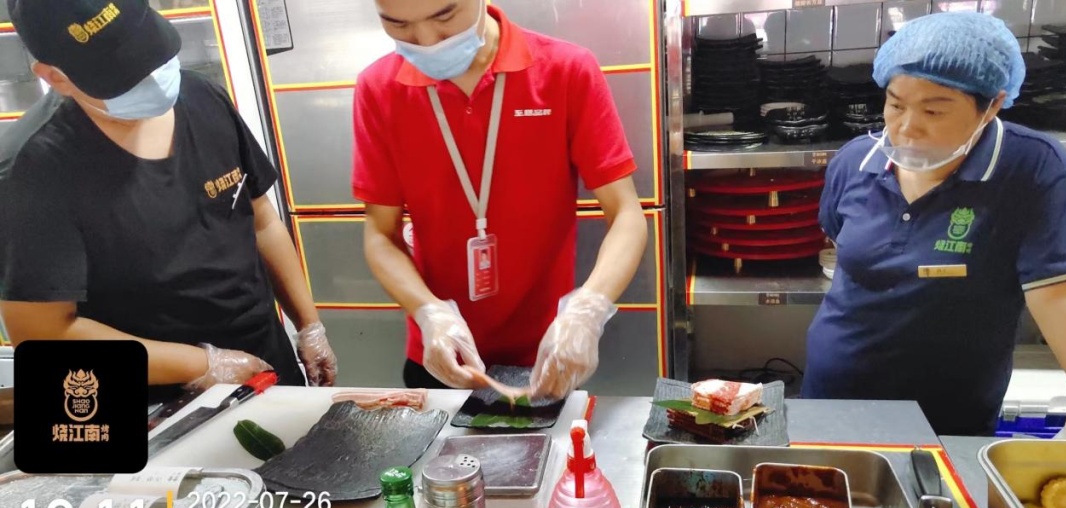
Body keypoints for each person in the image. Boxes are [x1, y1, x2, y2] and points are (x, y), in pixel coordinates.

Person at [0, 0, 339, 402]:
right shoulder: (32, 168)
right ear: (56, 77)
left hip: (266, 360)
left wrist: (309, 325)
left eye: (153, 55)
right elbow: (44, 333)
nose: (152, 79)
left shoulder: (202, 96)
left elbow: (261, 220)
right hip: (154, 397)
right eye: (122, 75)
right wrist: (202, 365)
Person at [801, 11, 1066, 436]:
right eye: (895, 104)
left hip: (949, 417)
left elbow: (1061, 298)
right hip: (833, 396)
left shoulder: (1032, 168)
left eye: (933, 110)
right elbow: (848, 257)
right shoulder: (855, 161)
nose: (907, 128)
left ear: (992, 106)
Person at [353, 0, 647, 399]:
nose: (426, 41)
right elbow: (380, 234)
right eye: (397, 24)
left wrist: (588, 310)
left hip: (548, 350)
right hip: (443, 352)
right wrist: (429, 313)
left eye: (444, 16)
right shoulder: (379, 88)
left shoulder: (565, 70)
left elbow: (626, 213)